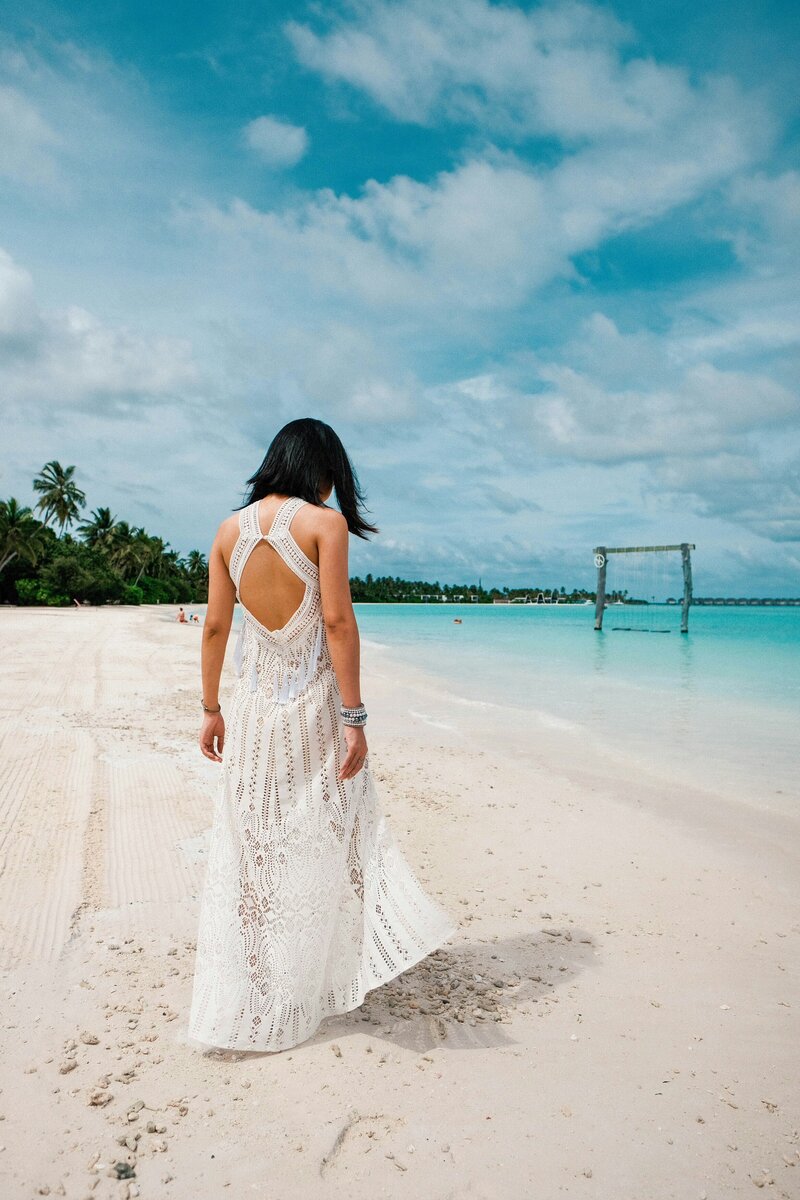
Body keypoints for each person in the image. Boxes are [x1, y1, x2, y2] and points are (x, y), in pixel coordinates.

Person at [185, 418, 457, 1054]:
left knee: (252, 838)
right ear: (320, 469)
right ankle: (318, 976)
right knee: (329, 830)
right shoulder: (322, 525)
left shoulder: (228, 532)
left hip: (252, 714)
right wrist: (356, 717)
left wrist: (210, 708)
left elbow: (214, 631)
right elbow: (337, 622)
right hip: (313, 713)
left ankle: (256, 980)